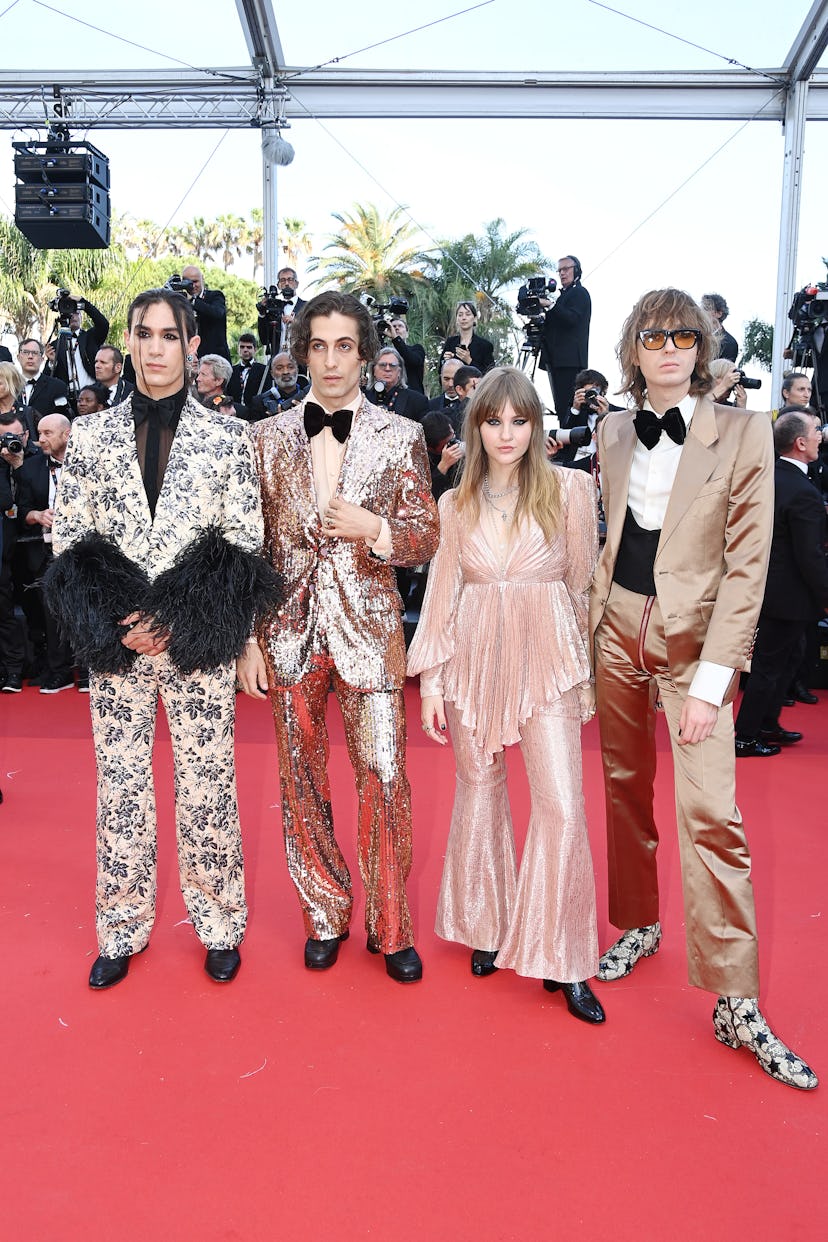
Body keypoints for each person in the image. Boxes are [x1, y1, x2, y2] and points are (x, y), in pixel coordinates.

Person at [590, 287, 817, 1090]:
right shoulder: (612, 429)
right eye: (655, 337)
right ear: (635, 349)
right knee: (622, 787)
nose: (671, 348)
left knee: (711, 816)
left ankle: (736, 1000)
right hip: (617, 629)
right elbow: (610, 532)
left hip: (697, 649)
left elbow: (748, 567)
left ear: (702, 346)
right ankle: (639, 924)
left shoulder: (746, 431)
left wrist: (712, 681)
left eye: (686, 335)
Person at [48, 287, 279, 990]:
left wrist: (178, 617)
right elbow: (70, 541)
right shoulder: (86, 438)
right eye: (142, 335)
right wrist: (123, 620)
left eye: (168, 336)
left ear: (190, 341)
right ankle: (121, 926)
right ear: (127, 341)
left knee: (208, 784)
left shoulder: (230, 438)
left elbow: (244, 544)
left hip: (197, 641)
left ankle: (219, 921)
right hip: (117, 645)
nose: (154, 349)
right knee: (120, 786)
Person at [237, 290, 440, 984]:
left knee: (384, 775)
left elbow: (423, 536)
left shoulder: (400, 434)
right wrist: (248, 640)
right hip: (289, 630)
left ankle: (391, 925)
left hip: (370, 631)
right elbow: (252, 550)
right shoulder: (262, 438)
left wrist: (375, 531)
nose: (329, 361)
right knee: (301, 781)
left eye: (343, 346)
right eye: (317, 346)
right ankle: (324, 913)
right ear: (300, 353)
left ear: (365, 352)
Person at [407, 367, 603, 1022]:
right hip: (473, 659)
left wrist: (584, 678)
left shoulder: (572, 491)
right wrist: (432, 679)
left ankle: (564, 955)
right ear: (477, 425)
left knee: (563, 805)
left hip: (548, 657)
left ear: (537, 425)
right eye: (494, 421)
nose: (508, 433)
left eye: (520, 420)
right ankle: (486, 927)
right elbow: (442, 593)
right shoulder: (454, 505)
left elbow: (580, 588)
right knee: (481, 790)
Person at [734, 411, 828, 756]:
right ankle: (744, 736)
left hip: (771, 590)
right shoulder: (801, 491)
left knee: (786, 662)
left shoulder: (768, 478)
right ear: (800, 443)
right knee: (770, 667)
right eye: (817, 430)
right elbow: (811, 555)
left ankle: (766, 725)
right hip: (789, 595)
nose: (821, 435)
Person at [539, 256, 591, 418]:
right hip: (557, 361)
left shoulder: (580, 293)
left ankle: (574, 439)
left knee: (571, 406)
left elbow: (572, 319)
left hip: (570, 361)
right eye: (560, 270)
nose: (562, 273)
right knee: (562, 407)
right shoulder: (564, 296)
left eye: (566, 269)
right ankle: (566, 437)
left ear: (576, 270)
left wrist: (550, 305)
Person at [364, 346, 429, 421]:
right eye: (382, 365)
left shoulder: (418, 401)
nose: (387, 369)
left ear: (399, 372)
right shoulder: (363, 398)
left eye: (392, 365)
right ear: (373, 370)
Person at [180, 265, 230, 360]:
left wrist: (193, 301)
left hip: (214, 360)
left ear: (202, 279)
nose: (192, 286)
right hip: (190, 357)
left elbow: (217, 313)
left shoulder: (215, 296)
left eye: (195, 281)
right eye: (188, 282)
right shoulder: (181, 302)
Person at [247, 351, 309, 420]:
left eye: (290, 367)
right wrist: (273, 422)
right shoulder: (259, 403)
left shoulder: (309, 397)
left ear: (297, 370)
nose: (285, 372)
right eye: (279, 368)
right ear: (272, 374)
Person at [439, 301, 495, 375]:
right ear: (457, 320)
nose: (464, 318)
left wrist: (469, 361)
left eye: (468, 314)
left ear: (474, 319)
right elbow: (440, 371)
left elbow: (490, 374)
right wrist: (446, 361)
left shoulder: (485, 345)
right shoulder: (451, 342)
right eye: (460, 315)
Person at [226, 332, 267, 406]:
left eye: (249, 347)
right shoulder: (231, 371)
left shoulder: (264, 370)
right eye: (242, 347)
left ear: (255, 349)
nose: (245, 350)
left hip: (256, 413)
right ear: (238, 349)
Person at [387, 316, 425, 393]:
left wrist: (396, 338)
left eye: (400, 326)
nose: (396, 328)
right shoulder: (384, 353)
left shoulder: (417, 349)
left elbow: (412, 360)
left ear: (407, 333)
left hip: (412, 397)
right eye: (393, 326)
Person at [701, 293, 739, 362]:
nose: (701, 312)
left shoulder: (730, 343)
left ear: (719, 314)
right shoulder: (696, 336)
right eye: (701, 309)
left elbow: (724, 370)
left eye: (706, 309)